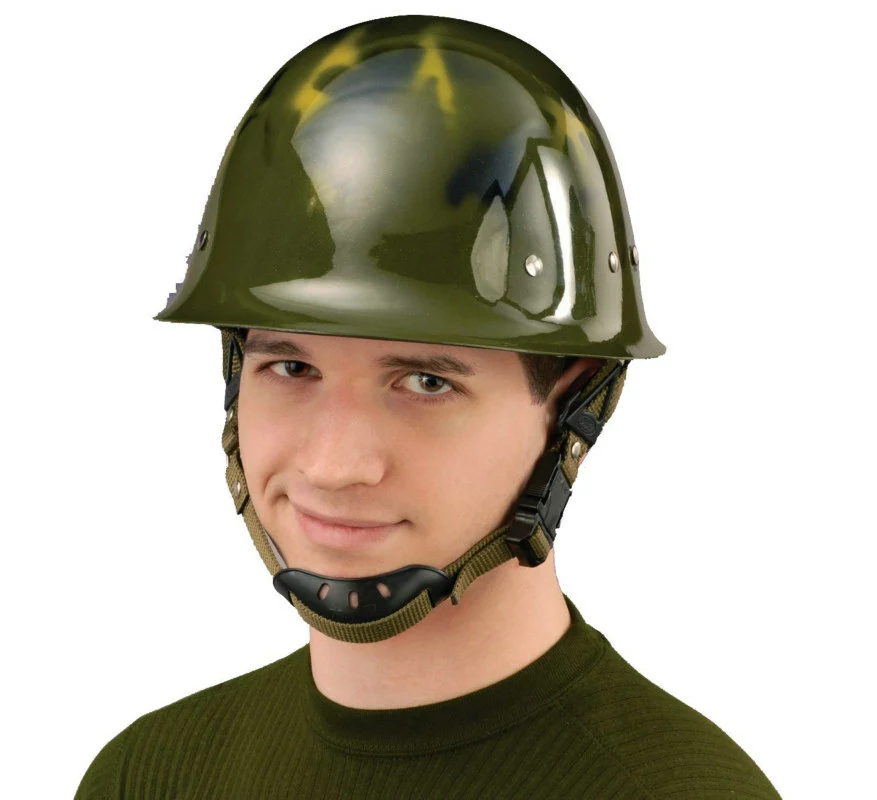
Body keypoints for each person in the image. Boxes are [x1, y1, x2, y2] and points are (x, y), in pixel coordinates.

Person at [75, 14, 782, 799]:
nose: (333, 466)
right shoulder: (150, 773)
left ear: (573, 401)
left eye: (424, 382)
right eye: (290, 366)